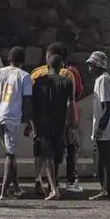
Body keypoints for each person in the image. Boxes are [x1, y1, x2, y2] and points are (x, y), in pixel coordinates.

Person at [30, 42, 84, 194]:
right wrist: (73, 123)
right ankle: (54, 183)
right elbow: (72, 101)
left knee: (41, 153)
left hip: (41, 122)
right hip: (60, 122)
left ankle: (38, 178)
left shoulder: (36, 75)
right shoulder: (67, 76)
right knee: (57, 155)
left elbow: (31, 101)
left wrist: (30, 122)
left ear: (48, 57)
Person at [0, 46, 32, 200]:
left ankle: (15, 187)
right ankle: (4, 192)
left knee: (10, 152)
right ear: (23, 61)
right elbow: (27, 100)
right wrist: (28, 121)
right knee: (10, 154)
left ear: (9, 59)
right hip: (12, 118)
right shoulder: (24, 76)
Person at [85, 51, 110, 200]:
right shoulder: (101, 80)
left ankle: (106, 190)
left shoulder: (103, 81)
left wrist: (100, 127)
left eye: (91, 66)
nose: (89, 69)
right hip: (103, 127)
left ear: (98, 66)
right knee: (101, 158)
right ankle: (108, 188)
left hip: (104, 129)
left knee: (102, 160)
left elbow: (107, 106)